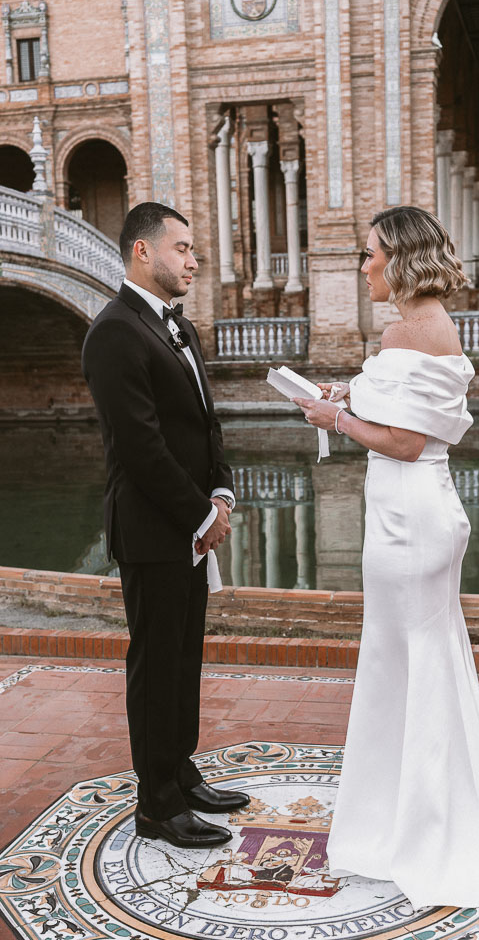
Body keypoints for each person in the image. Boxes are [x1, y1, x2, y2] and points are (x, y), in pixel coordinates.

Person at [293, 206, 479, 909]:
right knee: (411, 661)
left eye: (370, 253)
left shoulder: (418, 327)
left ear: (400, 259)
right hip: (409, 511)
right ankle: (404, 809)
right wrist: (351, 393)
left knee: (404, 661)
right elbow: (405, 408)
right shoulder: (413, 327)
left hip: (409, 515)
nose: (362, 266)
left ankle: (422, 823)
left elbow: (408, 443)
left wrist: (336, 420)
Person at [81, 201, 249, 848]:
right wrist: (202, 516)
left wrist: (222, 489)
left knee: (184, 658)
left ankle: (180, 772)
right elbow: (141, 446)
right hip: (153, 530)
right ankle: (155, 804)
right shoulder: (114, 332)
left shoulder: (181, 328)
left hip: (192, 521)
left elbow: (205, 424)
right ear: (142, 252)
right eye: (181, 247)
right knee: (155, 665)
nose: (194, 259)